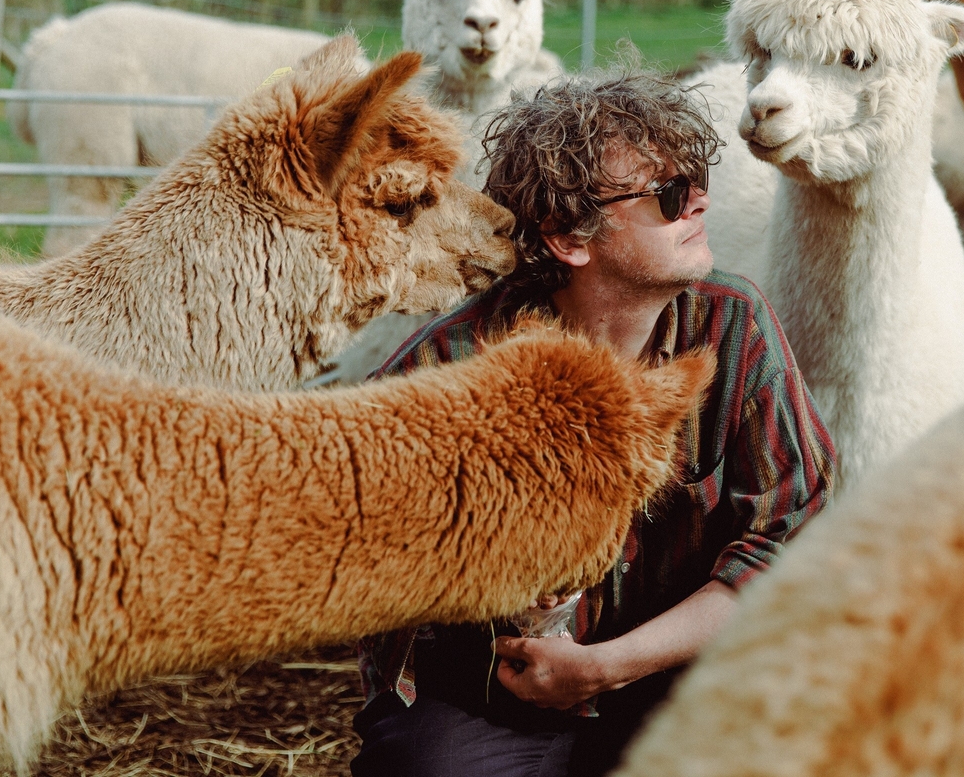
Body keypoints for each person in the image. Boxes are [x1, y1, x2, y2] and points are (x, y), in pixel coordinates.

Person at [350, 72, 839, 777]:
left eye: (696, 179)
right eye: (669, 195)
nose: (698, 201)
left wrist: (606, 666)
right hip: (488, 700)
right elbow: (365, 551)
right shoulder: (446, 369)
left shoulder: (732, 326)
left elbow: (792, 540)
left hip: (678, 684)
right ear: (568, 238)